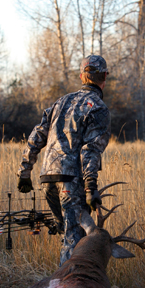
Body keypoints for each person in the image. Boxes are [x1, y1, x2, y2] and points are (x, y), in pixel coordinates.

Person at [17, 54, 111, 265]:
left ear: (81, 76)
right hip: (71, 182)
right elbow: (90, 150)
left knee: (67, 233)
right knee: (73, 240)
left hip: (47, 178)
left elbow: (37, 136)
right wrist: (90, 187)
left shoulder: (61, 101)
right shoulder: (98, 108)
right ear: (104, 77)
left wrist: (24, 171)